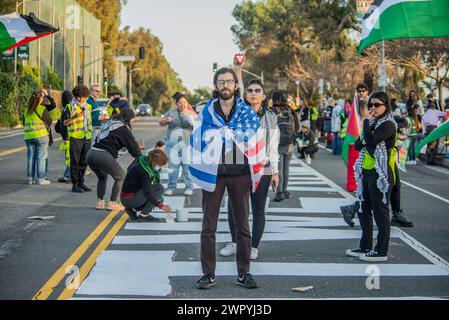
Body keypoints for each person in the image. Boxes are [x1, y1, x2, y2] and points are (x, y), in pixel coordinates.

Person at [192, 67, 261, 290]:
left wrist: (231, 133)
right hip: (215, 173)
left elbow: (254, 135)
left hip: (240, 174)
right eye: (221, 82)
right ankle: (208, 274)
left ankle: (244, 273)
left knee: (242, 225)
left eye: (229, 81)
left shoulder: (246, 112)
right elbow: (198, 136)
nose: (225, 86)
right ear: (215, 86)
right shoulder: (206, 112)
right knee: (208, 226)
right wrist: (218, 135)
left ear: (235, 85)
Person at [219, 79, 280, 261]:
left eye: (257, 90)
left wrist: (275, 171)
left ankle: (253, 247)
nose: (253, 93)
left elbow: (273, 146)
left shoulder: (271, 117)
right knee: (233, 206)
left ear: (263, 95)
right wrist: (238, 72)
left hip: (264, 166)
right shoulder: (237, 113)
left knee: (258, 208)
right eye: (250, 90)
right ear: (245, 94)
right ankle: (235, 243)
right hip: (238, 165)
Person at [346, 92, 397, 262]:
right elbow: (359, 145)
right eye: (370, 105)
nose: (373, 108)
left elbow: (372, 141)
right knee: (363, 209)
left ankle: (381, 251)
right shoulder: (373, 124)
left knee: (380, 212)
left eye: (377, 105)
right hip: (366, 172)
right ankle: (365, 246)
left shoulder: (388, 124)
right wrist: (367, 127)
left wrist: (366, 123)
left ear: (386, 106)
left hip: (380, 173)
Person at [87, 108, 141, 211]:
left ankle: (100, 202)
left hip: (91, 153)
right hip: (102, 154)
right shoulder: (123, 128)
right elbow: (134, 150)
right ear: (129, 118)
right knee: (120, 176)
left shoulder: (111, 123)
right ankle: (112, 202)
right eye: (133, 119)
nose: (133, 122)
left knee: (102, 176)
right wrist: (141, 158)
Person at [159, 93, 196, 196]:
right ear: (176, 103)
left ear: (187, 103)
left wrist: (193, 123)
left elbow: (198, 127)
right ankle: (171, 187)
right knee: (173, 167)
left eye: (184, 102)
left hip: (187, 144)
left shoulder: (191, 113)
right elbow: (160, 122)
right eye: (180, 102)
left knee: (186, 166)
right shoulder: (170, 113)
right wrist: (166, 120)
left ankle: (189, 187)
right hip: (172, 144)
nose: (182, 104)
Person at [121, 150, 172, 221]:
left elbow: (129, 169)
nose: (160, 167)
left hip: (126, 197)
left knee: (154, 196)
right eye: (160, 165)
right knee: (159, 188)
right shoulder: (145, 171)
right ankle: (144, 215)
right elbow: (147, 192)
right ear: (154, 162)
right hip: (131, 199)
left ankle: (133, 209)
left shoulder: (141, 160)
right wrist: (161, 206)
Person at [63, 85, 93, 193]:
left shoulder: (88, 106)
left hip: (87, 136)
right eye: (79, 97)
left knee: (84, 162)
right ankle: (75, 184)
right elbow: (65, 122)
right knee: (75, 162)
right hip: (75, 137)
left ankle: (81, 183)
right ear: (75, 96)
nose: (81, 99)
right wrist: (74, 117)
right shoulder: (69, 107)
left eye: (83, 97)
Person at [271, 91, 299, 202]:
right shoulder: (290, 109)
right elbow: (297, 126)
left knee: (278, 169)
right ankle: (285, 190)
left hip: (277, 143)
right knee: (286, 168)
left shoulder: (271, 111)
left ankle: (279, 193)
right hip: (289, 144)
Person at [23, 90, 52, 185]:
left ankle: (30, 178)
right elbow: (50, 121)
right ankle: (40, 178)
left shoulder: (26, 110)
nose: (43, 99)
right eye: (42, 97)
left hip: (28, 137)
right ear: (39, 99)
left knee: (30, 157)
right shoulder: (41, 109)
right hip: (41, 136)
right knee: (41, 157)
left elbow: (24, 123)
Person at [56, 90, 74, 183]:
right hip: (74, 136)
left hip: (68, 137)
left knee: (69, 158)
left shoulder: (66, 109)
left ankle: (68, 175)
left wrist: (64, 137)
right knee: (70, 157)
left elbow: (63, 126)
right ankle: (68, 175)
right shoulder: (72, 108)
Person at [422, 100, 447, 164]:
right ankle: (431, 160)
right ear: (433, 107)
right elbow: (444, 113)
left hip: (428, 129)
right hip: (434, 128)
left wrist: (424, 131)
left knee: (429, 143)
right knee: (435, 144)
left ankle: (428, 159)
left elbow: (423, 123)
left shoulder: (426, 113)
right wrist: (445, 109)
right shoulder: (435, 112)